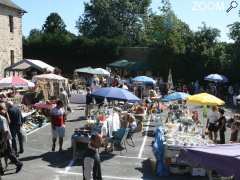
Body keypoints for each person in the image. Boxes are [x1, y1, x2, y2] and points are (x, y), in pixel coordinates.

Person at [0, 103, 23, 175]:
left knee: (9, 153)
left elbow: (5, 131)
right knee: (7, 154)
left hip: (4, 140)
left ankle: (18, 163)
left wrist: (3, 142)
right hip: (2, 139)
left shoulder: (1, 119)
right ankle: (1, 170)